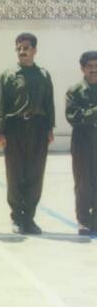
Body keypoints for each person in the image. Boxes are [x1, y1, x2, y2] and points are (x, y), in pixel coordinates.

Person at [0, 33, 55, 235]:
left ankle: (29, 218)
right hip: (15, 128)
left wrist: (50, 128)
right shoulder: (8, 75)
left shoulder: (43, 75)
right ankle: (17, 218)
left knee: (35, 174)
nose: (22, 51)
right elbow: (0, 104)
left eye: (26, 48)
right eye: (19, 48)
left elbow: (49, 103)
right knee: (15, 174)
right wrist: (0, 131)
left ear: (34, 50)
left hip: (38, 128)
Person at [65, 51, 97, 236]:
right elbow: (73, 117)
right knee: (83, 182)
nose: (94, 70)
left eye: (96, 66)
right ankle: (84, 220)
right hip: (82, 142)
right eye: (89, 66)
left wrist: (88, 114)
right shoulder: (74, 91)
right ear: (82, 69)